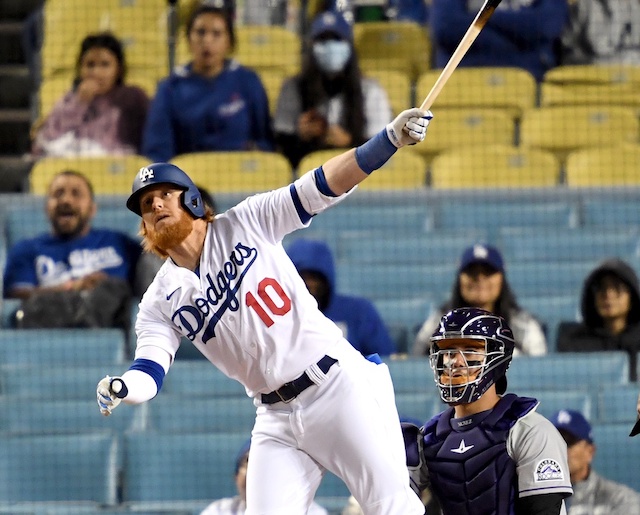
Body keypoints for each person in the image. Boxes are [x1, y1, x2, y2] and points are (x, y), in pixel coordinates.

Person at [96, 107, 432, 513]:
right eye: (146, 203)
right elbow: (150, 370)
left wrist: (388, 141)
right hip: (275, 417)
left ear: (191, 198)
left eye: (164, 194)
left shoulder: (248, 221)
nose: (155, 205)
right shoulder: (157, 301)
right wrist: (124, 388)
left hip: (336, 385)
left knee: (391, 504)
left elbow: (321, 185)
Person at [403, 307, 573, 514]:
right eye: (448, 351)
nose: (456, 361)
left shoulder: (530, 431)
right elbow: (391, 504)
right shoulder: (429, 438)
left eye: (470, 350)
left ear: (497, 357)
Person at [3, 170, 141, 327]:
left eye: (76, 194)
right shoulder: (26, 249)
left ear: (92, 209)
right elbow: (17, 296)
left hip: (110, 320)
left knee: (113, 288)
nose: (66, 200)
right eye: (58, 194)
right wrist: (72, 287)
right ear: (47, 208)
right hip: (49, 321)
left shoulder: (120, 243)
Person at [142, 4, 275, 163]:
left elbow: (265, 142)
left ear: (229, 41)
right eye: (200, 32)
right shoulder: (169, 88)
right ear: (188, 39)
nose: (207, 41)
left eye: (216, 34)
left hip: (242, 179)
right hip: (189, 180)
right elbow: (158, 150)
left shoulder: (248, 81)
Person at [274, 10, 393, 169]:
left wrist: (349, 142)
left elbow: (383, 149)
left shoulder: (370, 90)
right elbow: (280, 146)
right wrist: (299, 135)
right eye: (323, 40)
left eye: (336, 39)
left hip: (360, 178)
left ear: (349, 45)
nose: (330, 46)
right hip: (308, 176)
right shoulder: (293, 88)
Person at [412, 243, 547, 357]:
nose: (480, 278)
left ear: (502, 279)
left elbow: (539, 369)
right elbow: (417, 361)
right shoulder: (439, 322)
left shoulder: (522, 324)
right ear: (460, 279)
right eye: (472, 272)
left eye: (488, 272)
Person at [31, 32, 149, 157]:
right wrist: (79, 104)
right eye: (90, 65)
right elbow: (46, 141)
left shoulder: (133, 98)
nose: (96, 72)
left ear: (118, 69)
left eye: (105, 64)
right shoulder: (69, 100)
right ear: (80, 69)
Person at [286, 238, 396, 357]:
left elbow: (382, 359)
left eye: (315, 278)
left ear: (327, 278)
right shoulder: (278, 315)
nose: (310, 284)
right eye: (302, 278)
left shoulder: (359, 312)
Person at [429, 0, 569, 81]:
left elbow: (545, 26)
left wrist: (484, 17)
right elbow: (446, 28)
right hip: (461, 80)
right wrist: (517, 33)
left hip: (529, 78)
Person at [556, 258, 640, 381]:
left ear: (632, 296)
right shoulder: (574, 342)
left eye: (617, 288)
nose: (608, 295)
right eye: (601, 288)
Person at [200, 439, 329, 514]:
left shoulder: (310, 511)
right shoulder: (219, 511)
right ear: (236, 477)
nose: (255, 475)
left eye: (264, 464)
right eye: (248, 462)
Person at [550, 409, 640, 514]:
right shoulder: (533, 497)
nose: (560, 449)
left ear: (590, 451)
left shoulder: (621, 500)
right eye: (554, 442)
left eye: (567, 442)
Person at [560, 0, 640, 65]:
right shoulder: (585, 5)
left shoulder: (635, 7)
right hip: (593, 75)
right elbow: (568, 49)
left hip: (633, 76)